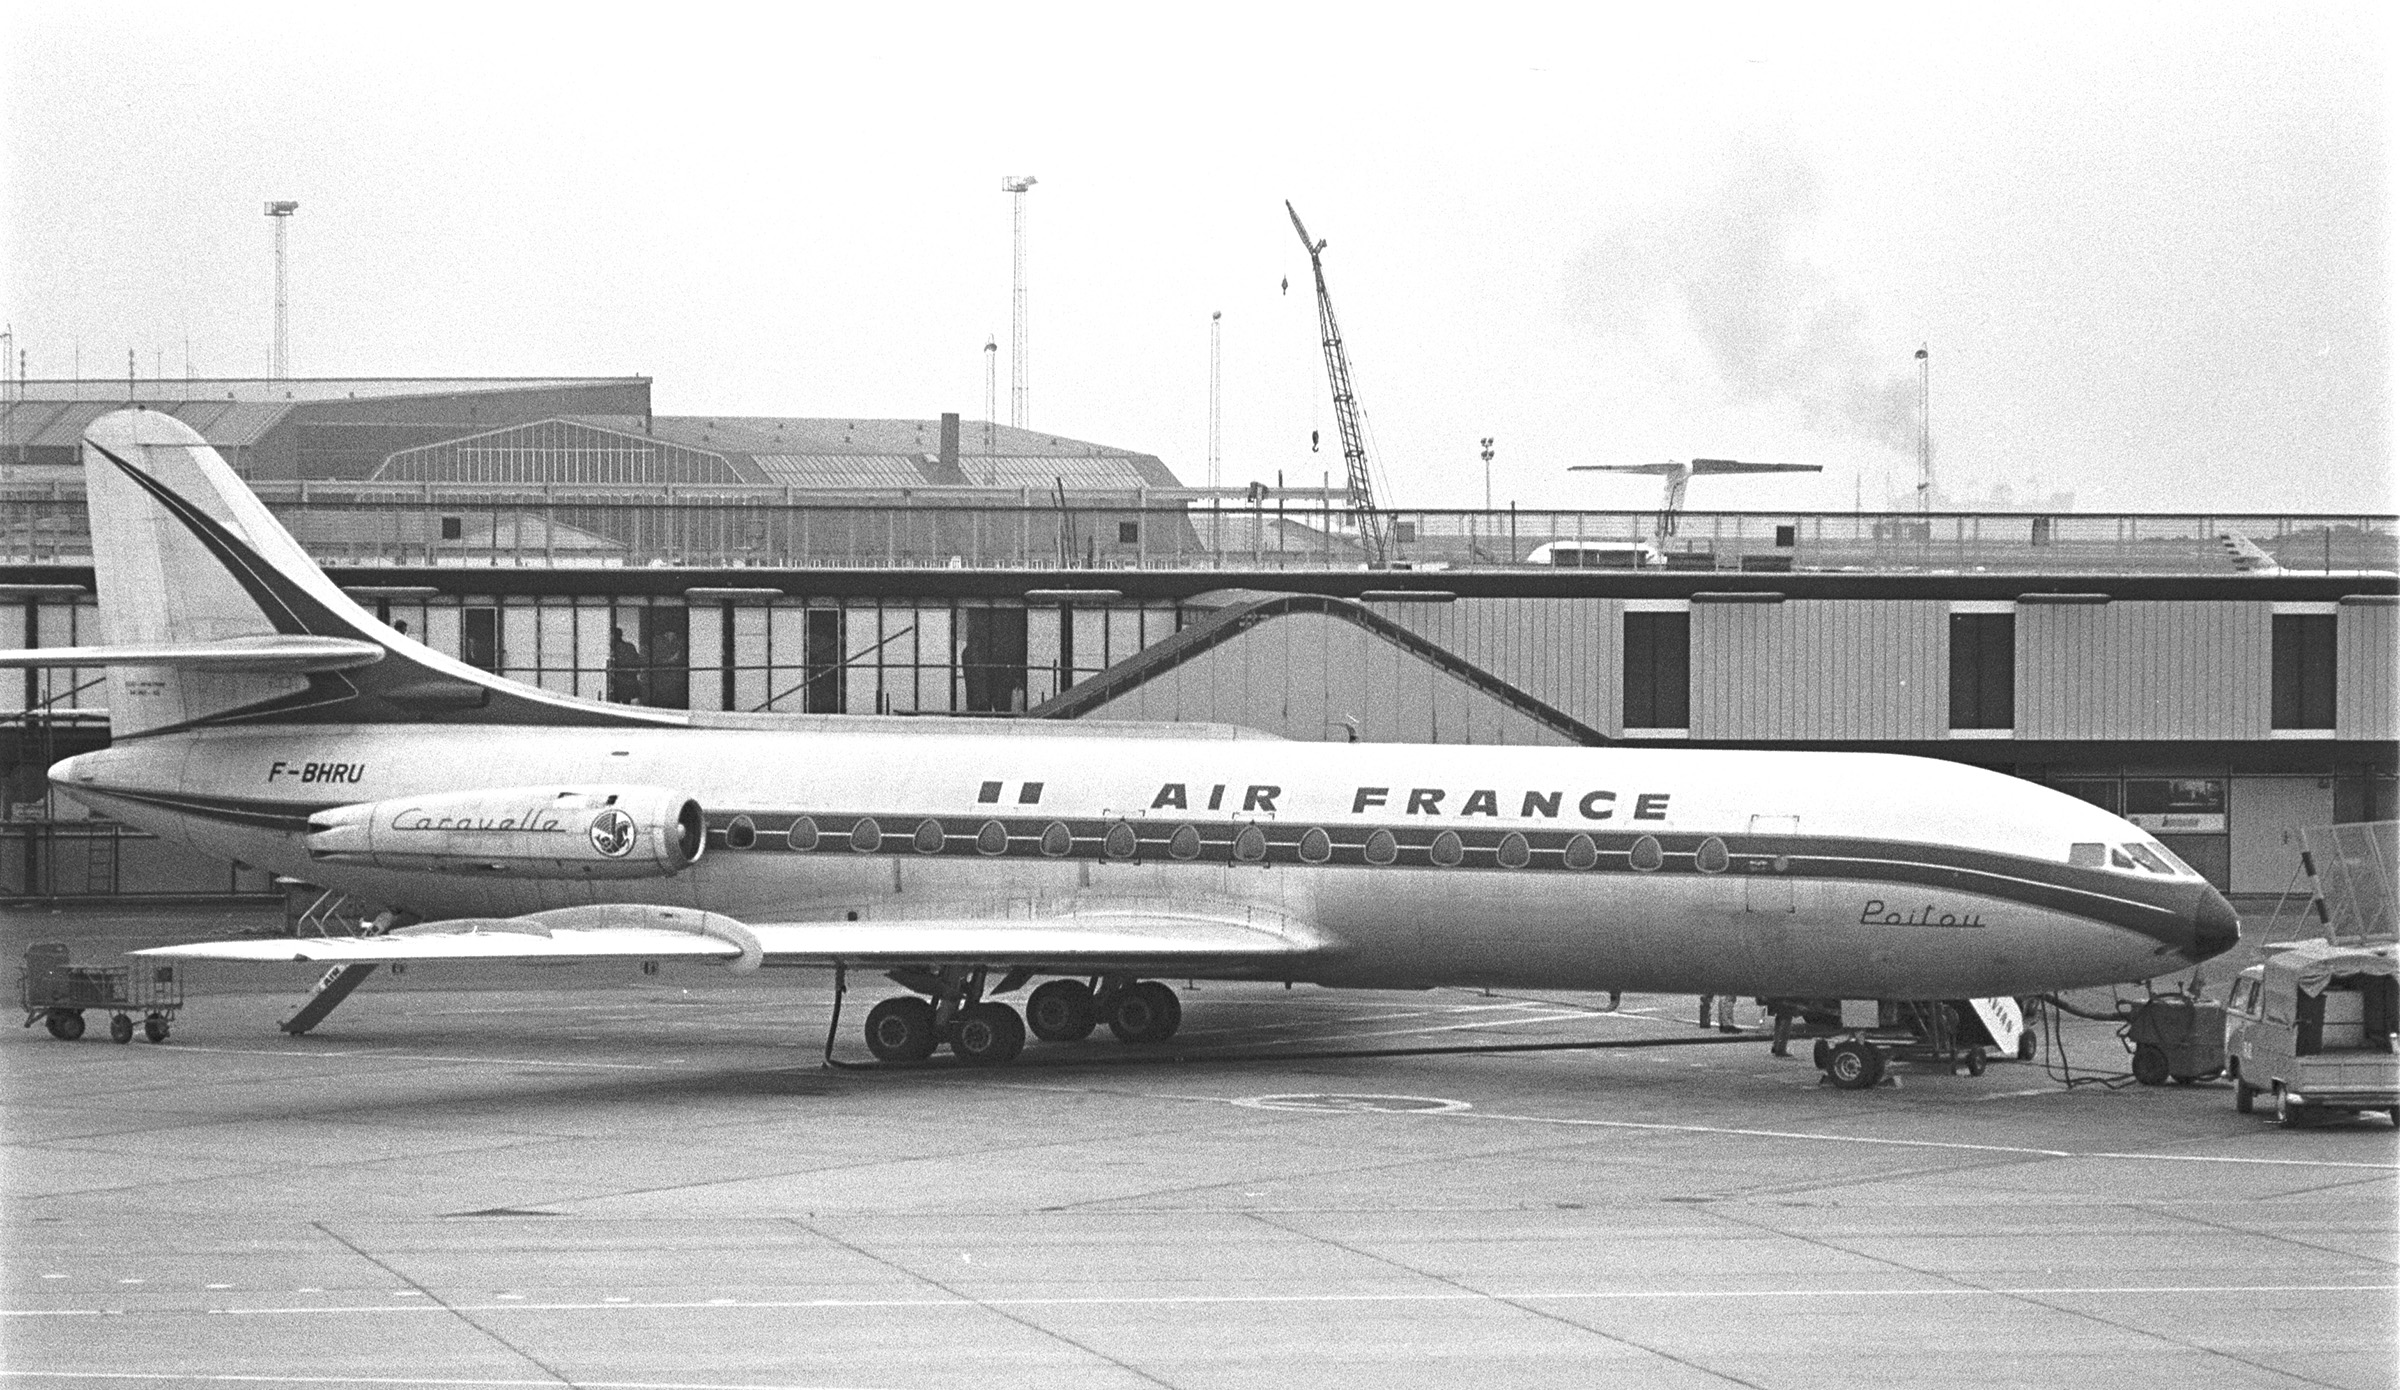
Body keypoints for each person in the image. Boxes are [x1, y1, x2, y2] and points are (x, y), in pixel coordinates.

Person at [606, 627, 644, 704]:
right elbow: (637, 662)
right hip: (629, 682)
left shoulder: (615, 649)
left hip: (619, 682)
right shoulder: (630, 646)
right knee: (626, 704)